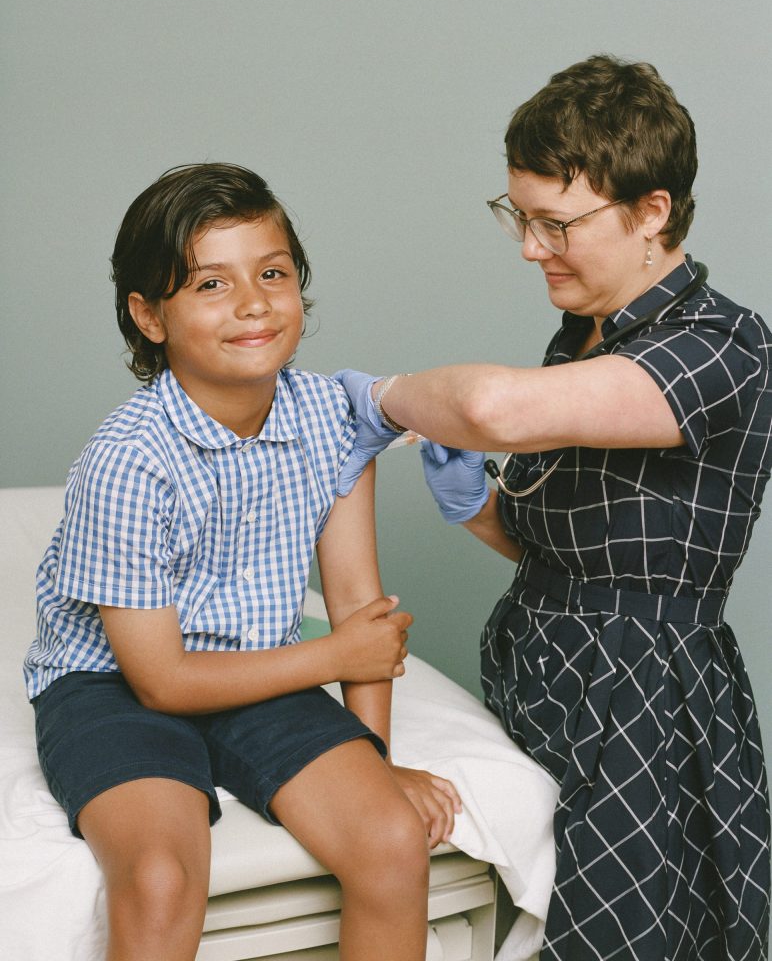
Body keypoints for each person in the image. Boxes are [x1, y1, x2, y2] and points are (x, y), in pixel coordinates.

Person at [334, 55, 772, 960]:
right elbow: (572, 549)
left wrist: (382, 396)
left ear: (652, 212)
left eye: (555, 224)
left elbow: (495, 409)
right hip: (546, 673)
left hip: (639, 700)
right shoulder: (583, 338)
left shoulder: (724, 346)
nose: (531, 248)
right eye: (519, 219)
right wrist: (475, 507)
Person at [23, 163, 461, 961]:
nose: (254, 303)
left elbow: (359, 602)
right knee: (160, 876)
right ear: (149, 315)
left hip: (261, 667)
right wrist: (331, 654)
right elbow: (161, 681)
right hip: (115, 686)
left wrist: (376, 764)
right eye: (210, 285)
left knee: (394, 841)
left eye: (272, 274)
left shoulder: (332, 418)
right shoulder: (126, 461)